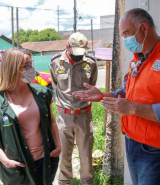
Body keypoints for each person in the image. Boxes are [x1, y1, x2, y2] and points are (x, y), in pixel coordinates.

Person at [73, 8, 160, 185]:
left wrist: (133, 108)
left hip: (156, 149)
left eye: (126, 33)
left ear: (144, 28)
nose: (124, 40)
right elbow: (128, 92)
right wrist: (102, 95)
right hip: (132, 140)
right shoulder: (137, 60)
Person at [0, 48, 61, 185]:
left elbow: (51, 122)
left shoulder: (42, 94)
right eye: (26, 65)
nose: (31, 68)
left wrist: (58, 145)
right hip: (18, 166)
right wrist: (4, 159)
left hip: (44, 160)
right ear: (12, 69)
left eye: (31, 64)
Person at [50, 32, 98, 185]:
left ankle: (87, 182)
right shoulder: (56, 62)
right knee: (64, 155)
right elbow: (55, 85)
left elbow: (93, 84)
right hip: (63, 116)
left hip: (84, 115)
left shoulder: (90, 62)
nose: (79, 55)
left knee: (86, 155)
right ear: (68, 47)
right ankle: (64, 182)